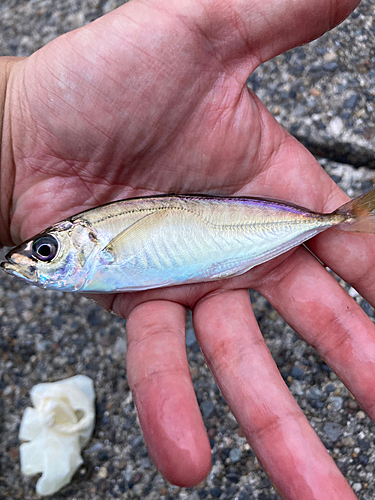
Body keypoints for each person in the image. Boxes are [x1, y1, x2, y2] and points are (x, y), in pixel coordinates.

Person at [0, 0, 370, 498]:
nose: (34, 260)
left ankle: (345, 220)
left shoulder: (95, 239)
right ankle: (342, 220)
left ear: (84, 241)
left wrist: (12, 121)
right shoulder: (91, 247)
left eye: (45, 250)